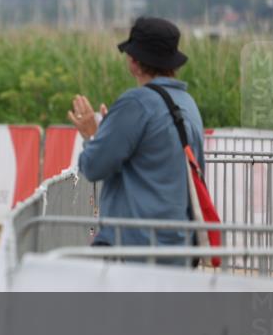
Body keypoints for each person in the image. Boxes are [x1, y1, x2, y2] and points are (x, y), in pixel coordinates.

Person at [69, 17, 204, 255]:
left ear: (133, 61)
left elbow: (93, 167)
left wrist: (92, 135)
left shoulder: (137, 103)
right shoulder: (188, 104)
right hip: (178, 247)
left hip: (132, 247)